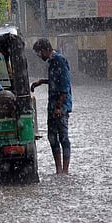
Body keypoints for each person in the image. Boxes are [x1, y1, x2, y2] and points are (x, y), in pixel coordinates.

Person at [31, 38, 72, 175]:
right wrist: (41, 82)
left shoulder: (60, 60)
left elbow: (64, 87)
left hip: (61, 107)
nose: (39, 56)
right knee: (52, 137)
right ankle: (58, 170)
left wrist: (59, 107)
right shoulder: (52, 62)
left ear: (44, 50)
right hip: (53, 105)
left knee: (63, 138)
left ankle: (65, 171)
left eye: (38, 53)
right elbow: (55, 81)